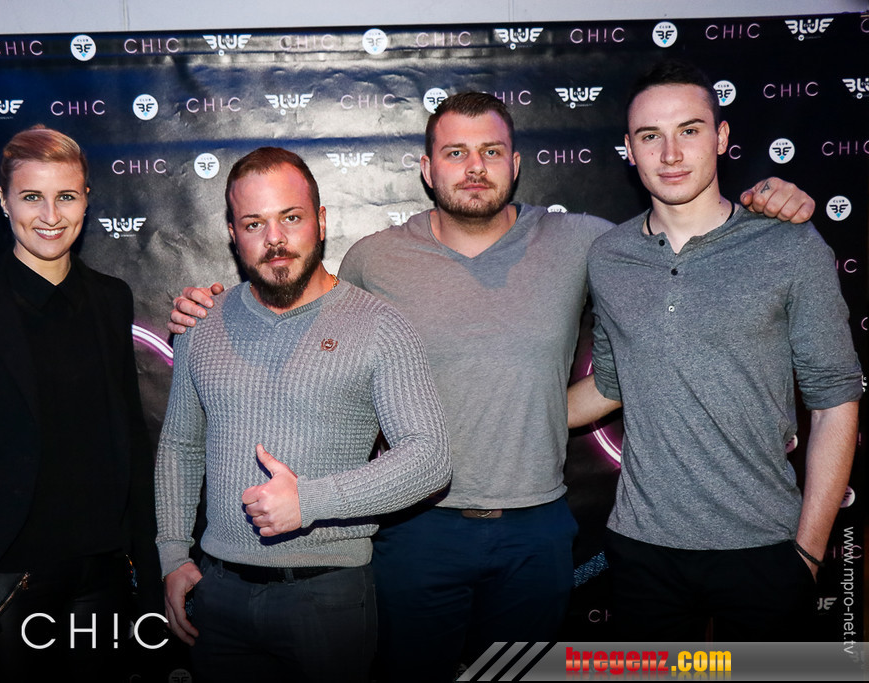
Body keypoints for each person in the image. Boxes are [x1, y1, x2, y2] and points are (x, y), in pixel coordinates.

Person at [167, 94, 815, 680]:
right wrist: (215, 309)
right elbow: (302, 304)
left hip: (536, 529)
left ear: (516, 164)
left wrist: (766, 206)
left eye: (491, 152)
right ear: (427, 169)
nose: (474, 167)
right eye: (456, 153)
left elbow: (677, 248)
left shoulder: (584, 242)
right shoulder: (374, 257)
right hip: (415, 531)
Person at [568, 59, 862, 640]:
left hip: (766, 547)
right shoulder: (609, 256)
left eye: (689, 130)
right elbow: (610, 384)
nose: (670, 153)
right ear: (629, 150)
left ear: (721, 137)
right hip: (641, 549)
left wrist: (808, 552)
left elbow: (834, 403)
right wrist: (501, 415)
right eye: (650, 136)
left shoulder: (790, 245)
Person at [155, 147, 450, 683]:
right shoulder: (202, 323)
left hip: (328, 597)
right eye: (254, 223)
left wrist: (310, 501)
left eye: (290, 217)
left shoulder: (378, 325)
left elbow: (430, 459)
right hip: (218, 595)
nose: (275, 239)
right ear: (233, 234)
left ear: (321, 221)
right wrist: (173, 555)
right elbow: (181, 446)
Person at [0, 126, 161, 680]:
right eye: (31, 196)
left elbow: (130, 441)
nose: (50, 215)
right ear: (4, 201)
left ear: (86, 201)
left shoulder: (110, 298)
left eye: (66, 196)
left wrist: (150, 574)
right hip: (5, 583)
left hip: (104, 577)